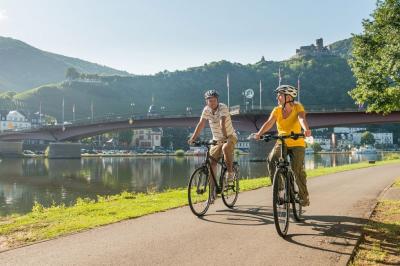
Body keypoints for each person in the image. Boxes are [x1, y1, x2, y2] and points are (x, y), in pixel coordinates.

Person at [253, 85, 312, 206]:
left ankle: (303, 197)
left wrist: (306, 129)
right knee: (271, 159)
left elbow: (301, 118)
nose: (277, 97)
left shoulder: (297, 107)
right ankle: (279, 190)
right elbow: (269, 123)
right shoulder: (277, 110)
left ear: (288, 97)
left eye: (280, 94)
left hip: (297, 142)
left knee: (297, 169)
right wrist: (259, 133)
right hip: (282, 141)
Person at [188, 90, 238, 203]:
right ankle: (212, 194)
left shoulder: (223, 107)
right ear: (206, 102)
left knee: (225, 148)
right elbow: (201, 124)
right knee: (211, 164)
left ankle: (230, 173)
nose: (212, 103)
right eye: (210, 101)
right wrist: (193, 138)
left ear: (217, 100)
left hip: (229, 135)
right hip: (216, 139)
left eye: (214, 100)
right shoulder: (206, 110)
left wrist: (225, 138)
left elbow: (222, 123)